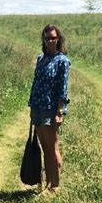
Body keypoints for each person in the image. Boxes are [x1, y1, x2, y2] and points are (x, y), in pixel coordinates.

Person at [28, 24, 71, 193]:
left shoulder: (62, 61)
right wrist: (32, 106)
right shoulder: (41, 59)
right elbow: (36, 83)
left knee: (52, 148)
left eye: (54, 38)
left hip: (51, 109)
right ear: (43, 40)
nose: (51, 41)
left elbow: (63, 88)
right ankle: (47, 183)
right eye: (48, 38)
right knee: (44, 147)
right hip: (38, 107)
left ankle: (55, 186)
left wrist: (60, 112)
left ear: (58, 39)